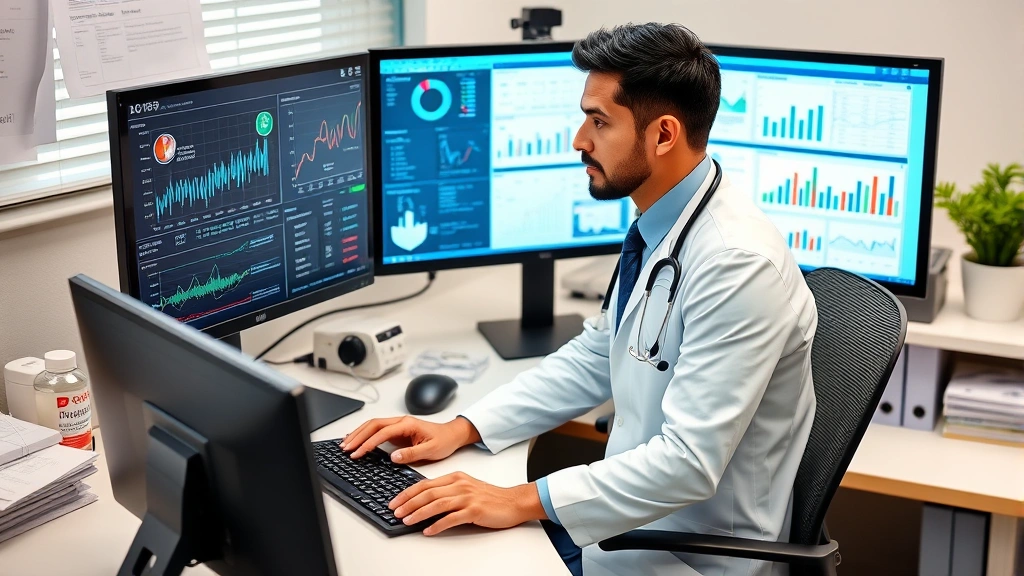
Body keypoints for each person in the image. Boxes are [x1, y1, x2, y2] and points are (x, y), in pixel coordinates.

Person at [342, 22, 817, 576]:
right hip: (630, 527)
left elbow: (688, 464)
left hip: (690, 556)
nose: (579, 141)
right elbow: (599, 354)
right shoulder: (663, 222)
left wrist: (518, 500)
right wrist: (464, 427)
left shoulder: (737, 265)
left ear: (663, 135)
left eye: (599, 121)